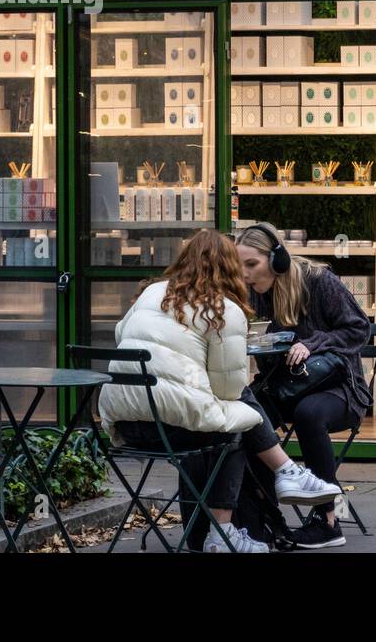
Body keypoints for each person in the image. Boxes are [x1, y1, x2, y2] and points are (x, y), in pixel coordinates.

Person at [98, 229, 342, 553]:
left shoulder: (151, 293)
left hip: (126, 425)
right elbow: (229, 389)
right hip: (174, 430)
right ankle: (233, 525)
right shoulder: (224, 309)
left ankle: (284, 478)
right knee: (236, 422)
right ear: (230, 268)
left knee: (235, 414)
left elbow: (121, 335)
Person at [234, 223, 372, 550]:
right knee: (247, 416)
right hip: (284, 386)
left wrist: (315, 343)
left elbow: (359, 329)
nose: (245, 274)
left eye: (251, 264)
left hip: (339, 388)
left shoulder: (318, 280)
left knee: (308, 414)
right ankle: (267, 520)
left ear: (278, 259)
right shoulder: (251, 293)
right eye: (240, 266)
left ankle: (330, 520)